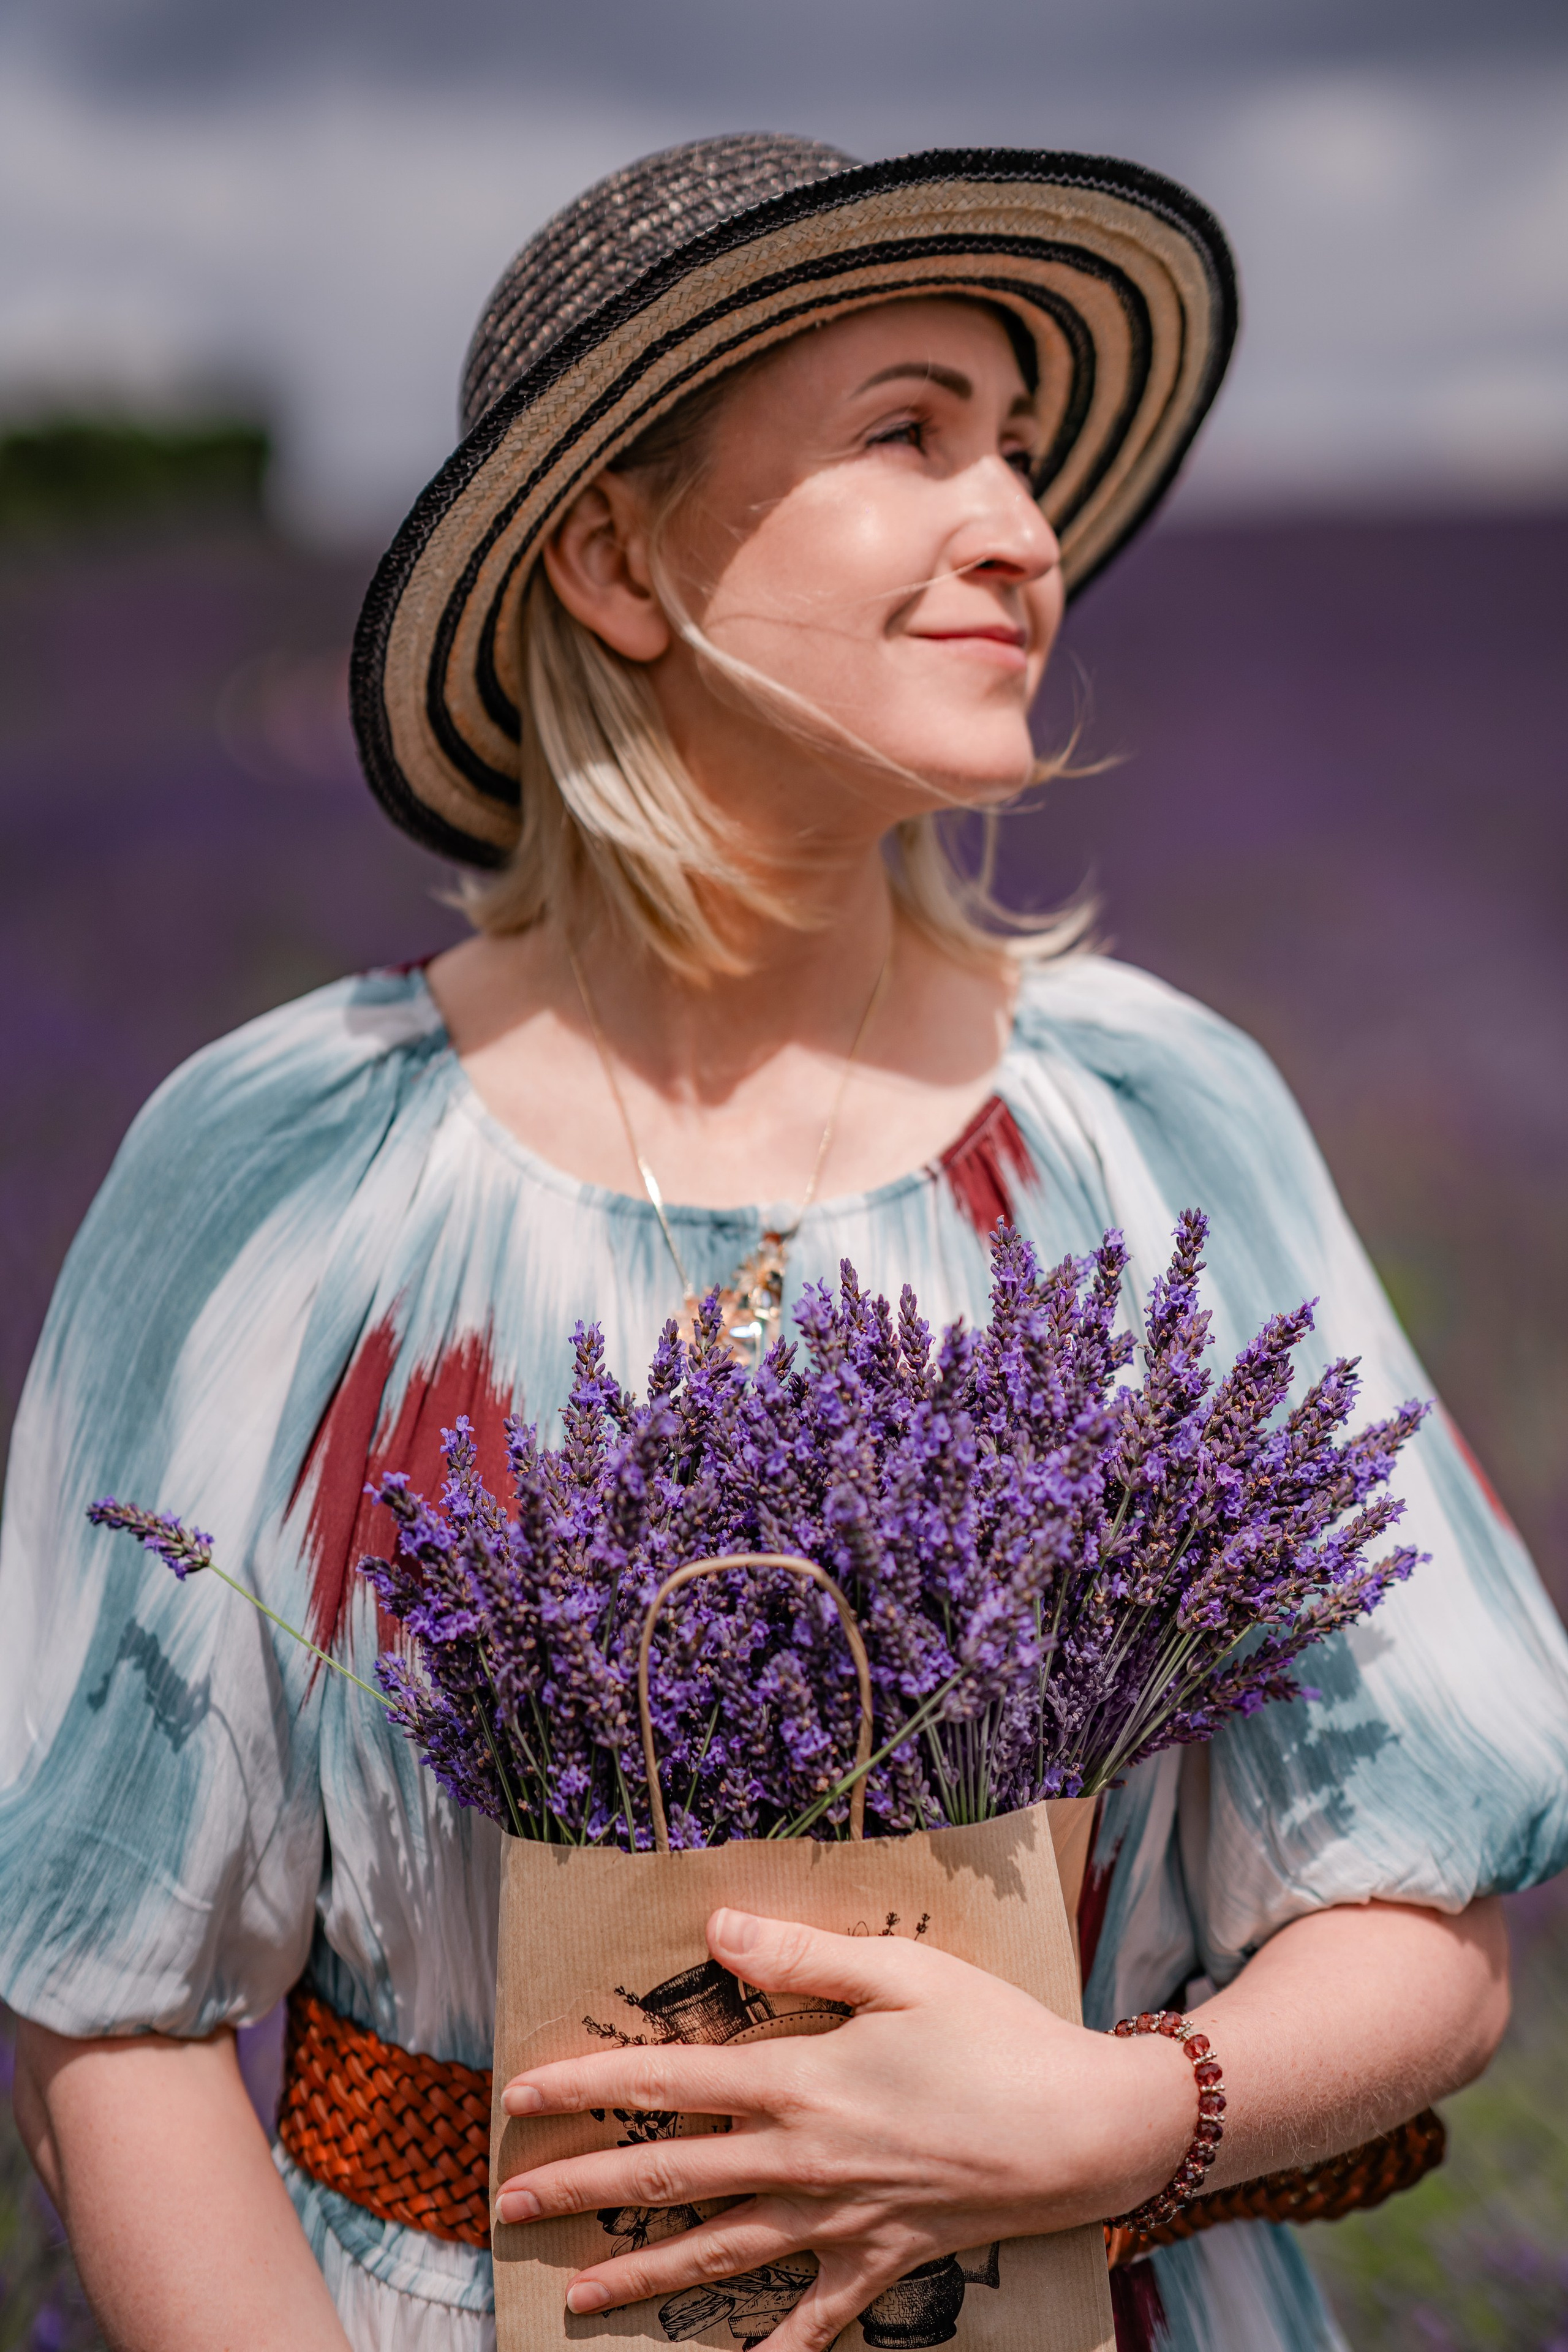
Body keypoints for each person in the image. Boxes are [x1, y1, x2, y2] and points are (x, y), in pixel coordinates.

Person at [4, 135, 1566, 2352]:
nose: (1023, 531)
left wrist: (1126, 2121)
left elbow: (1426, 1904)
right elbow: (114, 2008)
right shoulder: (287, 1175)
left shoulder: (1153, 1127)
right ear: (620, 559)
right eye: (909, 432)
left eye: (1021, 454)